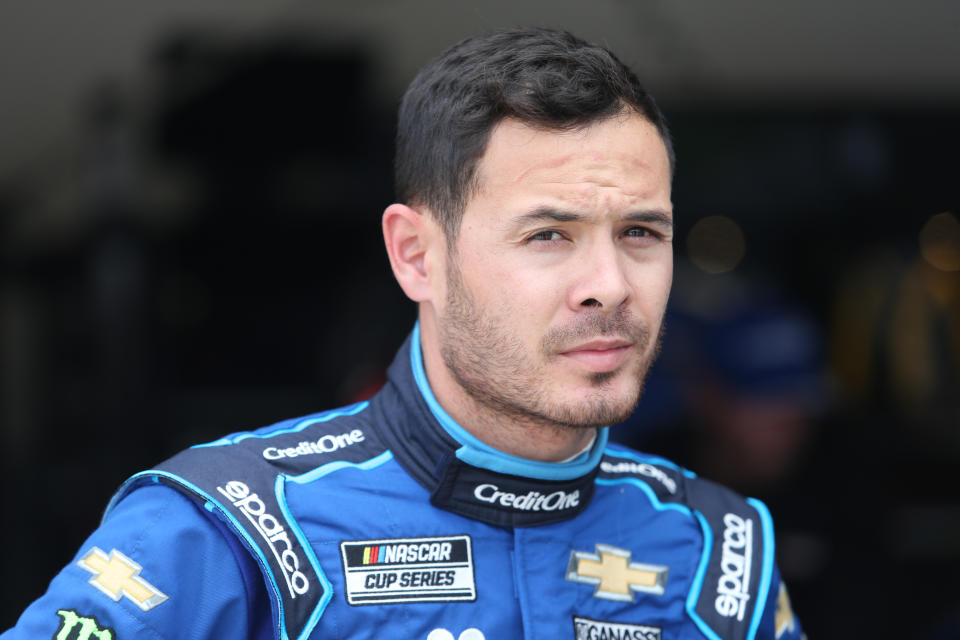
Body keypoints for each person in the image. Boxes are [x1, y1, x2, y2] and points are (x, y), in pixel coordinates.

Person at [3, 28, 804, 640]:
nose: (610, 285)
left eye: (640, 233)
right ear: (417, 256)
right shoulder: (232, 527)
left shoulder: (722, 554)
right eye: (548, 235)